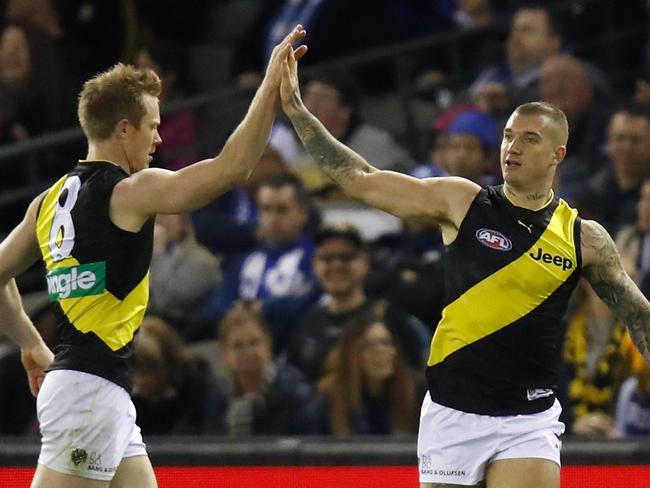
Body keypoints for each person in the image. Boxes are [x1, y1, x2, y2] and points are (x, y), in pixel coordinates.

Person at [279, 47, 650, 488]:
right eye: (509, 135)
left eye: (530, 139)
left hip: (527, 420)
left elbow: (638, 316)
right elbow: (358, 178)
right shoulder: (463, 201)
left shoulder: (584, 238)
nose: (512, 147)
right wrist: (297, 111)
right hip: (453, 412)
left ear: (558, 154)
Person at [0, 24, 307, 488]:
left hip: (97, 389)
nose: (158, 141)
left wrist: (29, 343)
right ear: (123, 129)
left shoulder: (46, 202)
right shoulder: (130, 190)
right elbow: (232, 168)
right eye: (153, 127)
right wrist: (269, 88)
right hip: (88, 391)